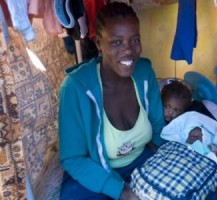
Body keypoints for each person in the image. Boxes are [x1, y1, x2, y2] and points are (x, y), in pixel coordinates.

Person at [58, 2, 165, 199]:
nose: (128, 51)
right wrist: (121, 191)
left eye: (135, 40)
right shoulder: (76, 87)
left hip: (141, 161)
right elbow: (72, 158)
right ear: (98, 43)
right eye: (116, 42)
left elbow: (158, 127)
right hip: (96, 171)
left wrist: (177, 151)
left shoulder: (144, 73)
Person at [160, 81, 217, 169]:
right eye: (167, 107)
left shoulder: (188, 118)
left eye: (176, 110)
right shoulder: (157, 113)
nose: (170, 112)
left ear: (184, 110)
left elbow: (204, 126)